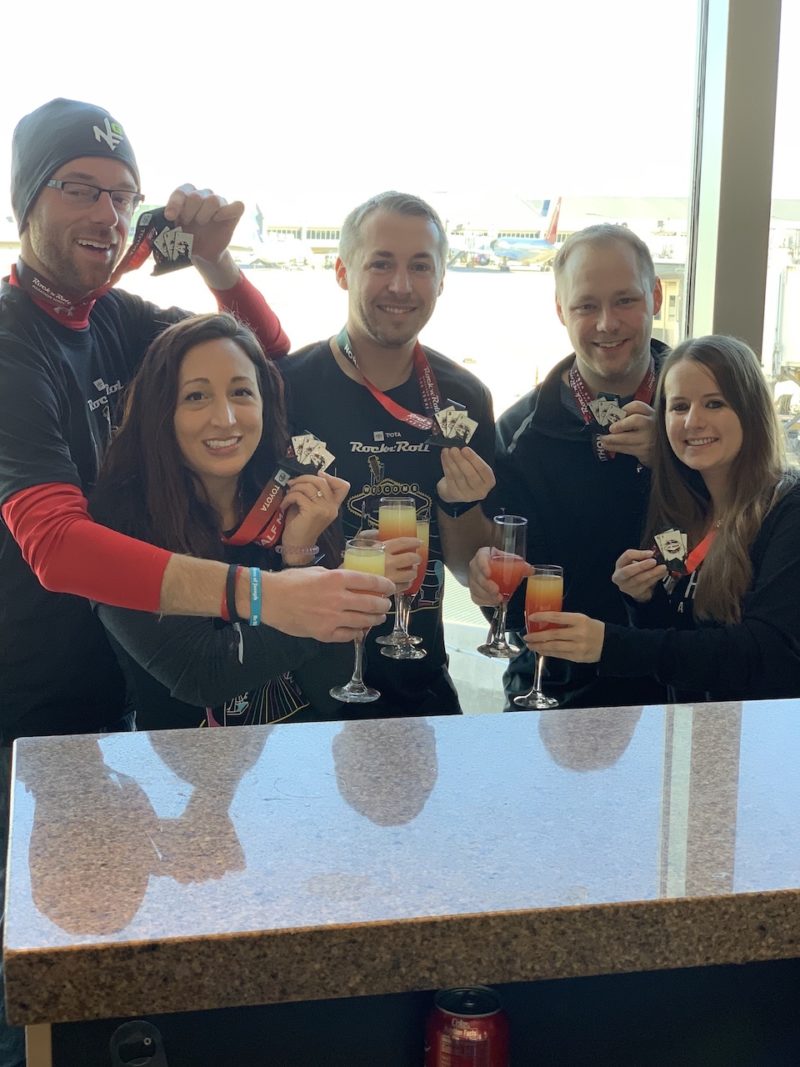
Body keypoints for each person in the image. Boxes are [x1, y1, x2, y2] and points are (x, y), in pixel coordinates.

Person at [0, 99, 393, 743]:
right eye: (80, 189)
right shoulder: (13, 348)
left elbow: (260, 351)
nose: (108, 213)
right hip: (25, 701)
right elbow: (55, 547)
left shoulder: (110, 316)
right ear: (24, 204)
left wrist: (214, 260)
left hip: (114, 681)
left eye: (125, 196)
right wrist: (264, 596)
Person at [280, 191, 496, 717]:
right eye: (381, 263)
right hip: (303, 692)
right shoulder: (284, 387)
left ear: (442, 279)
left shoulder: (464, 396)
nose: (401, 285)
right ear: (342, 271)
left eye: (420, 266)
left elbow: (468, 568)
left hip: (419, 688)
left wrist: (460, 504)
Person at [91, 313, 361, 729]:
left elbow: (334, 687)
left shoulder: (300, 498)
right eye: (196, 397)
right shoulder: (120, 522)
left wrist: (301, 555)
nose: (226, 419)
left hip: (299, 769)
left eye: (241, 392)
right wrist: (325, 596)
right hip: (181, 782)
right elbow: (200, 674)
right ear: (160, 410)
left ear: (265, 403)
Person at [524, 335, 800, 703]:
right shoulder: (688, 511)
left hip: (766, 748)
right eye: (679, 406)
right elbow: (688, 647)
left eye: (714, 403)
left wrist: (612, 644)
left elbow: (765, 653)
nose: (693, 422)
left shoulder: (788, 508)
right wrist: (645, 599)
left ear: (751, 411)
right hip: (697, 740)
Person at [469, 224, 669, 709]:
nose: (606, 323)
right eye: (586, 306)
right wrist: (485, 585)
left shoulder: (703, 414)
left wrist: (670, 460)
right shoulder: (521, 435)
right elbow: (515, 602)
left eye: (625, 300)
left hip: (682, 679)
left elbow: (745, 536)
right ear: (561, 311)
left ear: (656, 297)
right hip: (555, 686)